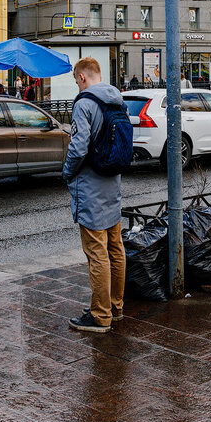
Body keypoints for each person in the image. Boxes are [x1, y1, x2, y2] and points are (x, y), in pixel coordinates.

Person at [62, 57, 125, 334]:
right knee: (115, 247)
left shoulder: (84, 103)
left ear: (83, 77)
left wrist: (67, 173)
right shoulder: (117, 100)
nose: (77, 84)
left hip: (90, 186)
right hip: (113, 184)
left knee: (96, 252)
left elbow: (78, 148)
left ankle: (100, 316)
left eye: (77, 80)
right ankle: (116, 307)